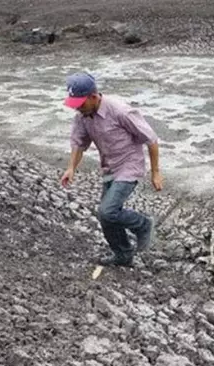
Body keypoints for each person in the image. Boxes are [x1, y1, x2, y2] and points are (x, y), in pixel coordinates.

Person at [60, 72, 163, 267]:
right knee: (105, 218)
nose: (78, 109)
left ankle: (144, 224)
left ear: (93, 96)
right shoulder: (83, 116)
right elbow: (79, 143)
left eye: (81, 104)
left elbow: (151, 139)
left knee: (107, 211)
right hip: (109, 167)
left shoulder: (120, 111)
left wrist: (155, 172)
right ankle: (123, 255)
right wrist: (71, 168)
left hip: (129, 165)